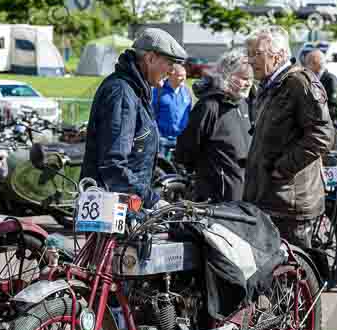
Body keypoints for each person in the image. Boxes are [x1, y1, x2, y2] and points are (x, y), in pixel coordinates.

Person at [243, 26, 333, 249]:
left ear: (280, 54)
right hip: (268, 200)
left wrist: (281, 169)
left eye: (257, 54)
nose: (250, 61)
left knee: (294, 275)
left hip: (289, 206)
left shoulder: (299, 82)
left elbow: (322, 135)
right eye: (249, 54)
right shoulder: (269, 85)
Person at [81, 28, 187, 208]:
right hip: (112, 207)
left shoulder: (137, 90)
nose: (172, 71)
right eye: (169, 63)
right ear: (150, 58)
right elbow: (113, 163)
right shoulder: (122, 92)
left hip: (123, 203)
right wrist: (151, 200)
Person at [175, 49, 253, 202]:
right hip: (216, 199)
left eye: (250, 78)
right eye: (243, 78)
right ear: (227, 75)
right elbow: (186, 149)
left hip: (244, 195)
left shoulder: (245, 104)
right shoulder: (209, 106)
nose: (248, 83)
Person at [152, 63, 192, 158]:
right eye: (180, 76)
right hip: (161, 140)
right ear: (170, 75)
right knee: (160, 169)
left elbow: (189, 113)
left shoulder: (187, 91)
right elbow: (151, 115)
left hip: (180, 141)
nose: (183, 79)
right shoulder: (158, 91)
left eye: (185, 76)